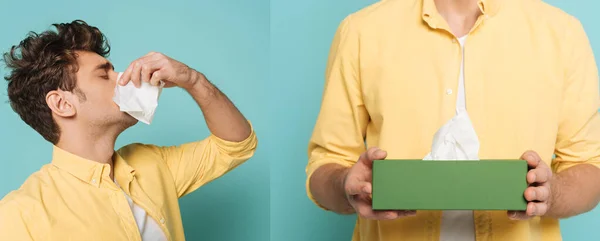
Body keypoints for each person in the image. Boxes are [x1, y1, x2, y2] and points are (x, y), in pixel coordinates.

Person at [305, 0, 600, 240]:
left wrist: (552, 193)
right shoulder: (361, 31)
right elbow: (325, 165)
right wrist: (345, 183)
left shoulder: (562, 33)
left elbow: (590, 167)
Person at [0, 20, 257, 241]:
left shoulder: (153, 165)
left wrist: (192, 80)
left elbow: (236, 145)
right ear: (62, 103)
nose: (124, 78)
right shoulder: (20, 215)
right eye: (105, 75)